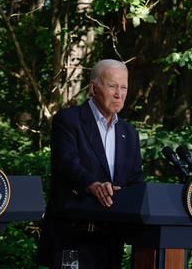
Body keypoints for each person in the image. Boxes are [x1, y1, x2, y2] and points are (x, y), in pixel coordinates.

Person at [38, 59, 144, 268]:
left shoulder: (129, 133)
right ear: (94, 88)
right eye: (112, 86)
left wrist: (128, 195)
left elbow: (135, 179)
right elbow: (66, 163)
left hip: (110, 240)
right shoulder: (69, 120)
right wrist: (92, 185)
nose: (119, 94)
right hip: (71, 237)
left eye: (124, 87)